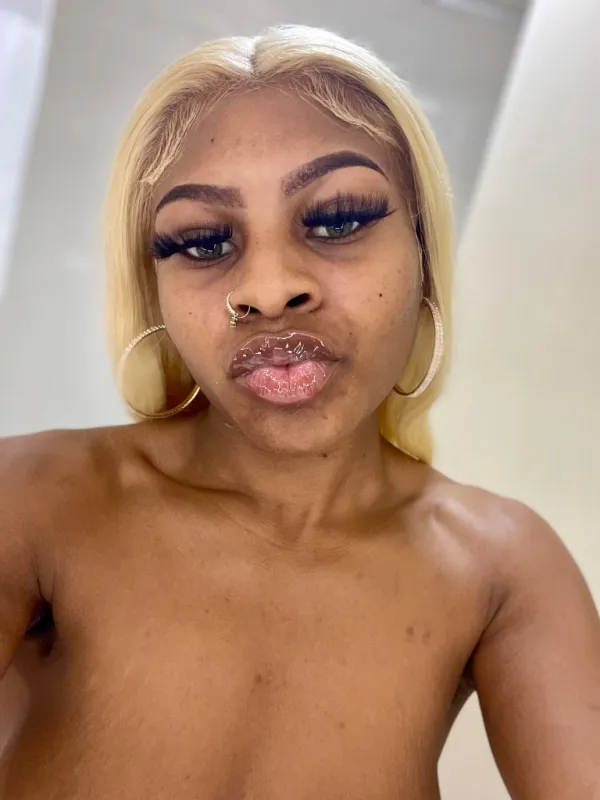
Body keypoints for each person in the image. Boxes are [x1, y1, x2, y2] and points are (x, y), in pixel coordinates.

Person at [0, 23, 598, 800]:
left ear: (423, 255)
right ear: (154, 291)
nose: (270, 287)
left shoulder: (503, 564)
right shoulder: (32, 497)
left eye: (339, 219)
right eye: (204, 241)